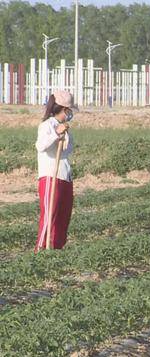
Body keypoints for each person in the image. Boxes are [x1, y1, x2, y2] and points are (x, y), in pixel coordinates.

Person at [34, 90, 76, 253]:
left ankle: (57, 250)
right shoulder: (46, 125)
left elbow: (68, 149)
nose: (71, 113)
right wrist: (56, 134)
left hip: (64, 177)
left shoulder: (65, 128)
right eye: (69, 110)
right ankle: (41, 251)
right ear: (63, 109)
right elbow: (41, 146)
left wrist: (64, 133)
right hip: (51, 177)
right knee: (49, 217)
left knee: (62, 218)